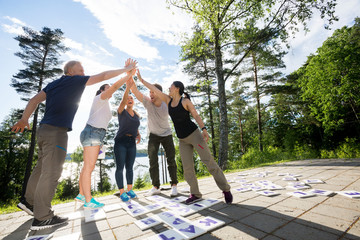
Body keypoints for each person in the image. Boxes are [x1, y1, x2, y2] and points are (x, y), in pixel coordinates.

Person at [11, 59, 137, 230]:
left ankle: (29, 202)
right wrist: (126, 70)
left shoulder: (53, 84)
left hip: (44, 130)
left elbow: (34, 100)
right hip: (57, 132)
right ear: (70, 71)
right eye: (80, 69)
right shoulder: (74, 81)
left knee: (40, 169)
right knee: (52, 173)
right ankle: (42, 217)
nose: (83, 71)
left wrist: (25, 118)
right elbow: (104, 76)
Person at [136, 70, 233, 205]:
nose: (169, 88)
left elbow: (196, 115)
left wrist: (204, 129)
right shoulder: (168, 100)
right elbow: (153, 89)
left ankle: (226, 189)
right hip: (182, 140)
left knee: (208, 161)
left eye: (171, 86)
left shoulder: (185, 101)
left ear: (177, 88)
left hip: (195, 136)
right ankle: (195, 194)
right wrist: (141, 79)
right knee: (187, 168)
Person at [75, 62, 136, 209]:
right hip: (92, 132)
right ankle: (88, 201)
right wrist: (127, 75)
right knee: (89, 168)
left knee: (86, 168)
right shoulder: (100, 98)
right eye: (107, 88)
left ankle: (81, 195)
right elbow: (115, 87)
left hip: (94, 134)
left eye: (109, 88)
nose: (110, 90)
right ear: (101, 91)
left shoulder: (104, 105)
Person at [130, 78, 178, 197]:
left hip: (167, 134)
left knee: (171, 159)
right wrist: (129, 76)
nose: (150, 94)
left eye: (152, 92)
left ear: (159, 93)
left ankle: (174, 186)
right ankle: (156, 187)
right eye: (149, 92)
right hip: (153, 135)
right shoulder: (147, 102)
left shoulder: (166, 103)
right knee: (153, 160)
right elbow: (135, 91)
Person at [114, 76, 141, 202]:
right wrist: (127, 88)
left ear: (134, 102)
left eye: (132, 98)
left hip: (131, 143)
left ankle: (130, 190)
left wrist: (138, 134)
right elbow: (123, 100)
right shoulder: (121, 111)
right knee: (120, 167)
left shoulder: (136, 115)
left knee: (129, 167)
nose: (130, 99)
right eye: (128, 98)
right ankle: (122, 192)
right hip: (120, 142)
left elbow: (135, 126)